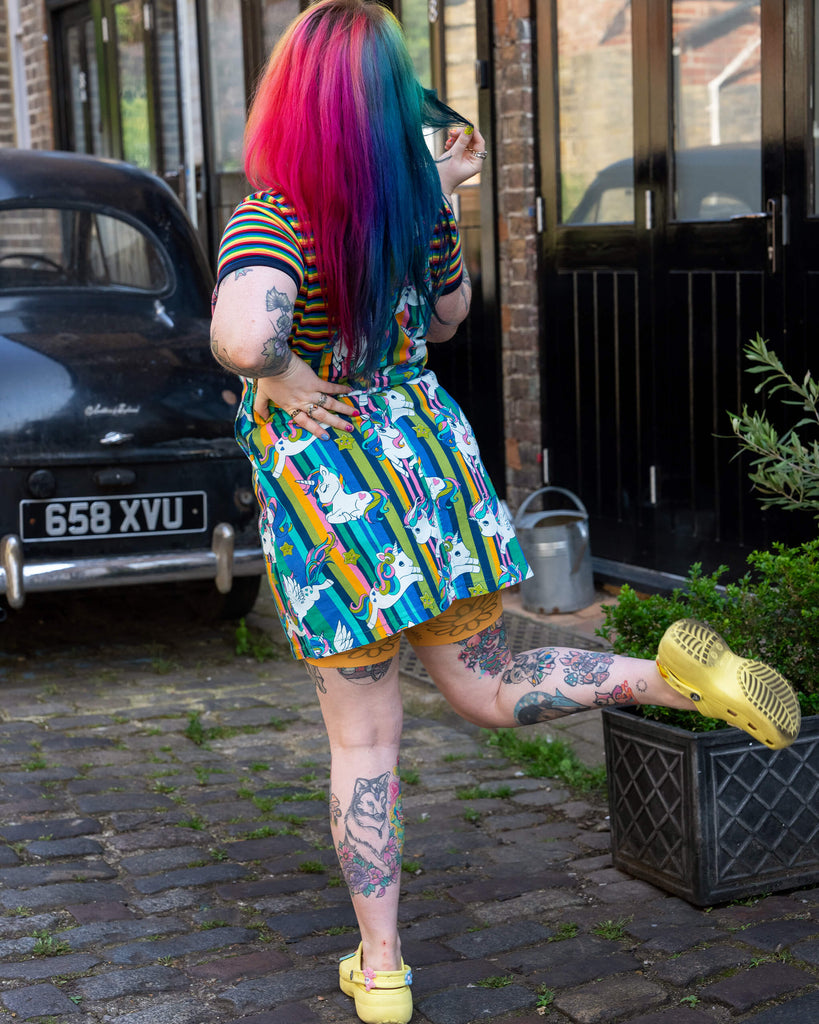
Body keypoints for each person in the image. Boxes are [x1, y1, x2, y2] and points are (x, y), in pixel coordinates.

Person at [209, 2, 801, 1020]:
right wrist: (435, 202)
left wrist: (288, 375)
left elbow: (243, 332)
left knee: (364, 741)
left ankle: (384, 968)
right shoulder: (419, 205)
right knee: (485, 687)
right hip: (428, 475)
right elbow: (449, 317)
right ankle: (669, 677)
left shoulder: (274, 212)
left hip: (337, 502)